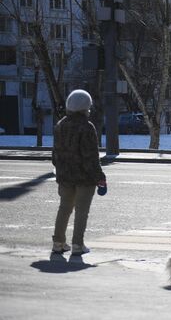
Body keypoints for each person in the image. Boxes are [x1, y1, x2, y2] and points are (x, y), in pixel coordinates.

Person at [51, 89, 106, 256]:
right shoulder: (87, 127)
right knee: (81, 212)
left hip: (65, 177)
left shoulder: (60, 125)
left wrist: (60, 170)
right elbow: (90, 157)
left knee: (64, 209)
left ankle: (58, 243)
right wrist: (100, 178)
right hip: (84, 178)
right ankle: (77, 244)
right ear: (84, 107)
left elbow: (55, 154)